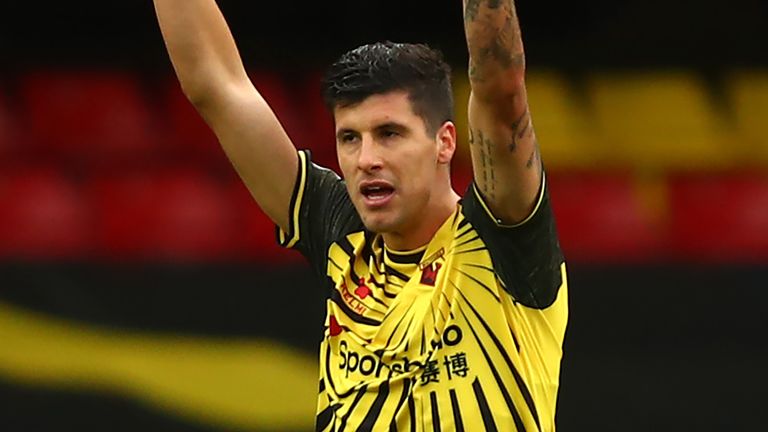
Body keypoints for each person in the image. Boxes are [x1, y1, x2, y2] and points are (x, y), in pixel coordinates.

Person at [153, 0, 568, 430]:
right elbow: (215, 85)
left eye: (389, 133)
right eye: (350, 138)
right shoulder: (339, 232)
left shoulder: (504, 243)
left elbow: (501, 93)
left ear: (444, 143)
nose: (366, 159)